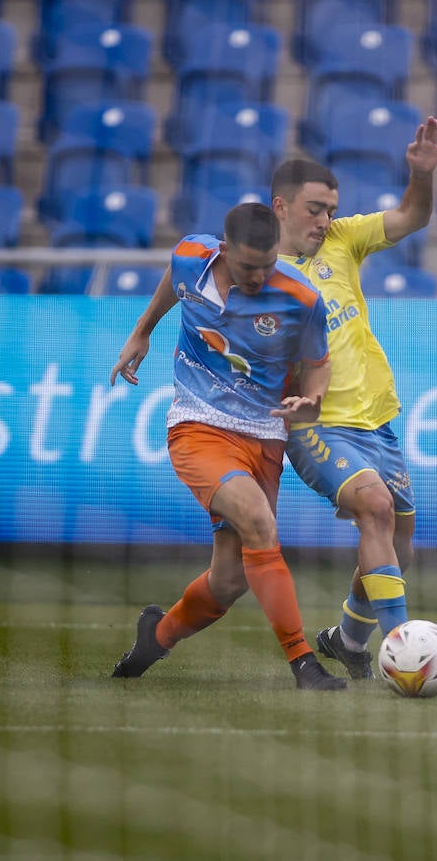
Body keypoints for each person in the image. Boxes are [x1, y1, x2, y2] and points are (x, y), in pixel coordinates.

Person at [108, 202, 347, 691]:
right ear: (223, 250)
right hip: (198, 427)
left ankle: (158, 635)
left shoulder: (300, 298)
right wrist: (141, 332)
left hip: (264, 438)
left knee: (230, 580)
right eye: (246, 267)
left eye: (267, 265)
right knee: (259, 522)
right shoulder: (191, 258)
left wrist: (313, 399)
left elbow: (318, 362)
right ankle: (304, 663)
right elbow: (172, 284)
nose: (258, 276)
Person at [269, 117, 437, 680]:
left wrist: (420, 177)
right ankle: (403, 649)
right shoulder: (258, 273)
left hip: (376, 418)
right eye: (315, 209)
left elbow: (413, 216)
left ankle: (346, 639)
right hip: (314, 425)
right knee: (374, 506)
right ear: (281, 207)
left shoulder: (346, 239)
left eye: (330, 209)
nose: (325, 219)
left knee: (396, 538)